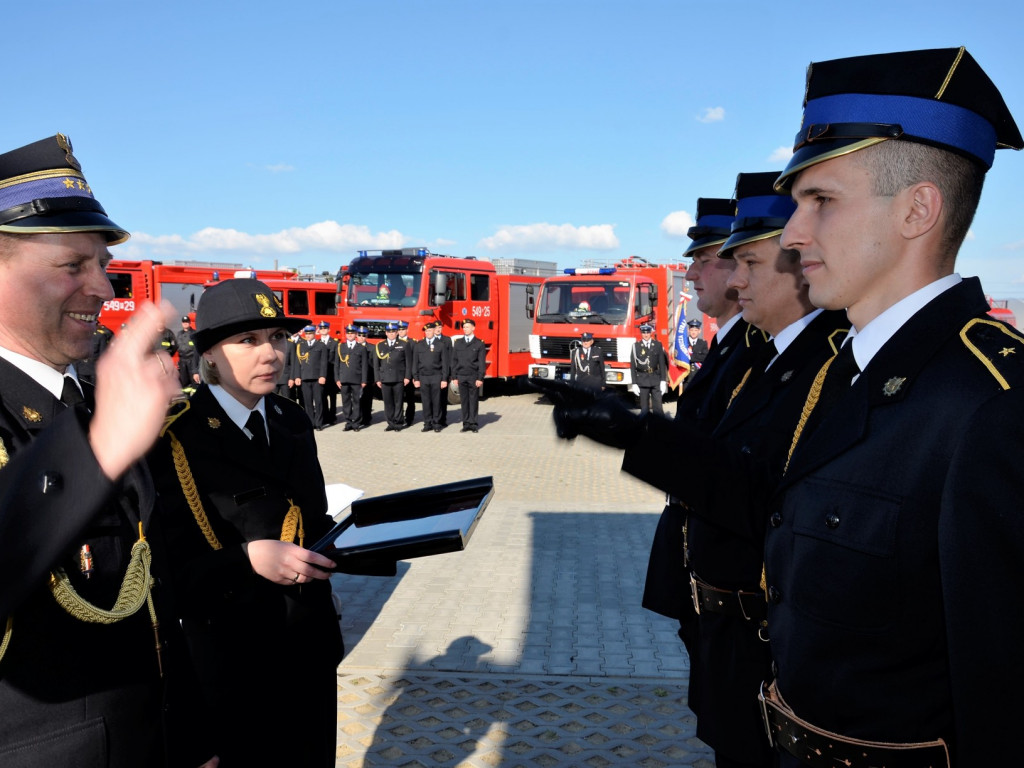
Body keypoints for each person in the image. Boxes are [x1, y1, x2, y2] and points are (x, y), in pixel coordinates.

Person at [0, 134, 216, 767]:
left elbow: (155, 594)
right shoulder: (102, 424)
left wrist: (191, 736)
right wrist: (96, 452)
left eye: (104, 264)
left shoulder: (97, 403)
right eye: (73, 266)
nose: (103, 287)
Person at [640, 171, 850, 768]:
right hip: (728, 613)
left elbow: (763, 493)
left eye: (747, 262)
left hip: (763, 627)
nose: (731, 280)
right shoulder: (771, 354)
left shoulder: (823, 358)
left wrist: (636, 437)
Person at [147, 278, 344, 767]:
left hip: (308, 644)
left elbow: (315, 519)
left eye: (277, 337)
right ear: (209, 354)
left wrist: (370, 539)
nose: (270, 353)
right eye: (248, 340)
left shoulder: (290, 419)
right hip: (231, 657)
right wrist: (247, 559)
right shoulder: (175, 435)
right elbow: (163, 571)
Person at [373, 321, 412, 431]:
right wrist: (377, 379)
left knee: (398, 401)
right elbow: (376, 364)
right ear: (386, 333)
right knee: (388, 402)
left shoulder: (404, 344)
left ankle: (398, 423)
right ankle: (390, 423)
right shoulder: (380, 345)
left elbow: (408, 362)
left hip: (398, 377)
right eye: (389, 332)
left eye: (393, 332)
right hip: (385, 378)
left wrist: (407, 377)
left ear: (397, 333)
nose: (391, 334)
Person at [412, 320, 450, 432]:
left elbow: (445, 364)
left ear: (434, 330)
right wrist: (416, 378)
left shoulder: (441, 345)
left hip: (436, 376)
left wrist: (444, 379)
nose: (427, 333)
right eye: (426, 331)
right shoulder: (419, 345)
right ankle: (427, 423)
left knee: (436, 401)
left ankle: (436, 423)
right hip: (423, 377)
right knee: (426, 401)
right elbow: (415, 363)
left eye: (429, 330)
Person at [289, 324, 329, 430]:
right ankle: (310, 422)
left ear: (314, 334)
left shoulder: (321, 345)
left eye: (310, 334)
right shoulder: (300, 346)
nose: (308, 336)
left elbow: (324, 362)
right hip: (305, 377)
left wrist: (322, 376)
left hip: (317, 378)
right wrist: (297, 376)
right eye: (306, 334)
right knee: (307, 402)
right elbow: (297, 363)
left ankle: (319, 423)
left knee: (319, 401)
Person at [451, 318, 487, 432]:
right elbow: (454, 361)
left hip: (473, 376)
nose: (465, 329)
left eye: (467, 327)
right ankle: (466, 423)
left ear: (473, 328)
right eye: (464, 327)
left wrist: (480, 377)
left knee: (473, 400)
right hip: (461, 375)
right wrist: (454, 376)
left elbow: (481, 363)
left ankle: (473, 423)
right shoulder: (458, 343)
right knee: (464, 401)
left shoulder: (479, 343)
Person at [335, 324, 367, 431]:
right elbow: (337, 365)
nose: (350, 335)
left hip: (357, 379)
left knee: (357, 401)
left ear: (356, 334)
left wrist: (364, 380)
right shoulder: (340, 347)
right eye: (348, 333)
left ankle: (356, 423)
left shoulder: (361, 348)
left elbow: (364, 366)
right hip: (344, 379)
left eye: (352, 333)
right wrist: (337, 379)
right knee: (346, 401)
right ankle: (348, 422)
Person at [629, 324, 667, 416]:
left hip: (655, 378)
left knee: (658, 408)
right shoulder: (636, 346)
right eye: (644, 333)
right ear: (641, 334)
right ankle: (645, 424)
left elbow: (662, 364)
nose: (646, 335)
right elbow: (633, 366)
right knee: (644, 409)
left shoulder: (657, 345)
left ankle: (659, 424)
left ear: (651, 333)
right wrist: (634, 383)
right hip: (642, 379)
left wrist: (663, 380)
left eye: (647, 333)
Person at [316, 321, 339, 425]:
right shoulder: (317, 343)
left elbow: (336, 360)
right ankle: (325, 416)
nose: (323, 330)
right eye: (321, 328)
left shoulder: (334, 343)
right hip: (321, 374)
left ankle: (333, 416)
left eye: (325, 328)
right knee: (322, 396)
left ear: (329, 329)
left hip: (331, 373)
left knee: (333, 396)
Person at [397, 320, 417, 427]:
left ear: (407, 330)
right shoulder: (394, 342)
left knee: (410, 398)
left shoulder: (412, 342)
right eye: (399, 330)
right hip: (397, 375)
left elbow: (414, 360)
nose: (401, 332)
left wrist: (413, 375)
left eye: (403, 329)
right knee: (398, 399)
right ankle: (399, 418)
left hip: (409, 375)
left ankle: (409, 418)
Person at [356, 326, 375, 427]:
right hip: (355, 377)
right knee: (356, 399)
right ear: (356, 335)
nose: (361, 337)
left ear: (366, 336)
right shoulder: (353, 346)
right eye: (359, 335)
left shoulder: (372, 348)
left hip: (368, 377)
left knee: (367, 399)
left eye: (363, 335)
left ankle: (367, 418)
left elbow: (374, 364)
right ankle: (357, 417)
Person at [176, 315, 199, 393]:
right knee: (184, 381)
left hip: (192, 360)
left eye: (187, 322)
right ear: (182, 323)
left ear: (189, 323)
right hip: (182, 360)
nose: (185, 323)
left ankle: (196, 396)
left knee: (194, 380)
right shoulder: (179, 334)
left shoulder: (194, 333)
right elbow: (176, 346)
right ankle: (187, 396)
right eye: (184, 322)